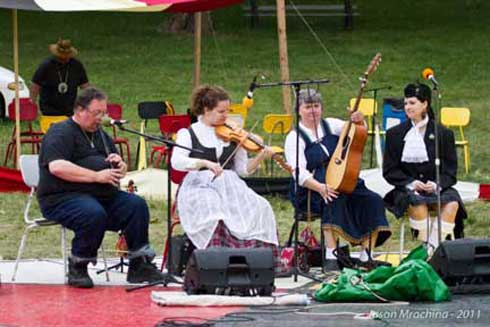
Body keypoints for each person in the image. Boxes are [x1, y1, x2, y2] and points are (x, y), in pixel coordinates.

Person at [37, 87, 165, 288]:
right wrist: (96, 176)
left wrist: (120, 166)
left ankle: (139, 265)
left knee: (136, 205)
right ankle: (78, 265)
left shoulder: (101, 135)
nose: (101, 118)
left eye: (104, 113)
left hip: (101, 195)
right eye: (97, 113)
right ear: (80, 110)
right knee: (92, 213)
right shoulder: (60, 132)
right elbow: (57, 166)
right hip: (62, 197)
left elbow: (116, 167)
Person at [170, 85, 281, 271]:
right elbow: (177, 161)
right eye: (221, 111)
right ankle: (217, 264)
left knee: (261, 206)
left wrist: (261, 156)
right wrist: (204, 163)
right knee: (213, 207)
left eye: (227, 111)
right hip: (199, 186)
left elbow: (243, 170)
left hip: (230, 187)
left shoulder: (232, 133)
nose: (226, 116)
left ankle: (254, 264)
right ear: (206, 110)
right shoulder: (188, 133)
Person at [284, 88, 391, 272]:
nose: (313, 111)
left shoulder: (331, 124)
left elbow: (356, 131)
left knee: (372, 200)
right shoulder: (295, 137)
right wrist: (320, 187)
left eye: (316, 106)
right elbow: (299, 172)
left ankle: (366, 255)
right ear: (299, 110)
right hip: (311, 189)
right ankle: (331, 255)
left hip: (344, 179)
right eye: (308, 107)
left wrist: (359, 120)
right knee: (333, 197)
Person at [383, 82, 466, 253]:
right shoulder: (394, 134)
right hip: (407, 190)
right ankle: (433, 252)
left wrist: (436, 184)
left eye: (412, 103)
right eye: (406, 103)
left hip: (438, 188)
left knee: (452, 203)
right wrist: (411, 183)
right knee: (417, 202)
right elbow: (390, 171)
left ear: (425, 104)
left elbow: (450, 172)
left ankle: (430, 250)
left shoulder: (443, 134)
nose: (407, 107)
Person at [30, 39, 90, 132]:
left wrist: (91, 101)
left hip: (70, 110)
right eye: (61, 57)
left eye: (66, 57)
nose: (64, 59)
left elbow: (85, 86)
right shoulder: (46, 65)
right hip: (49, 111)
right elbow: (35, 84)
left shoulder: (76, 65)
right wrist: (32, 102)